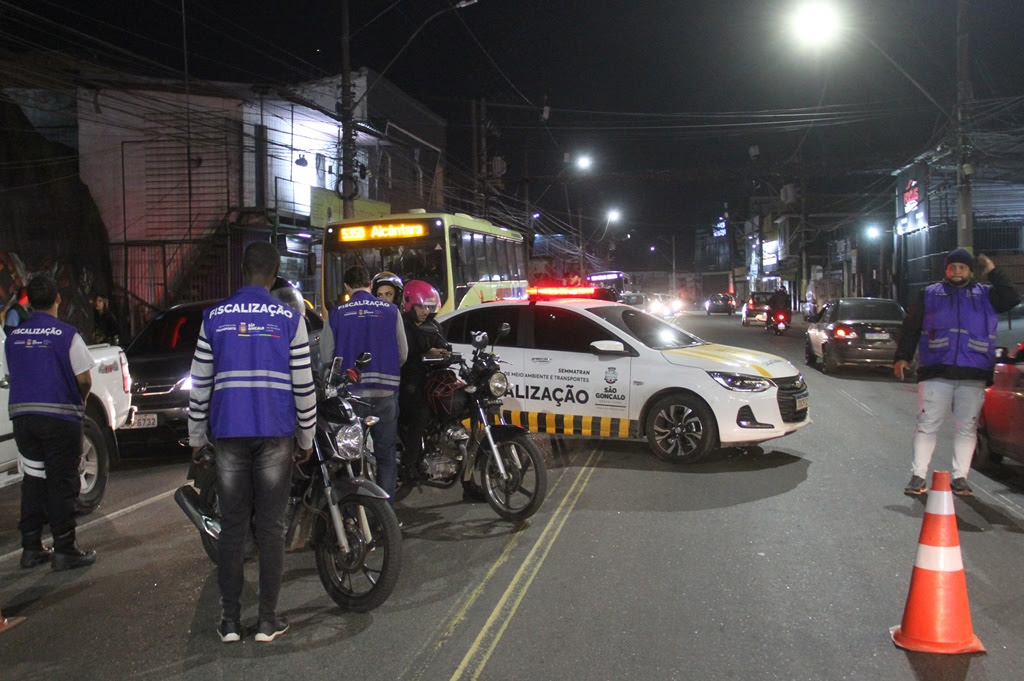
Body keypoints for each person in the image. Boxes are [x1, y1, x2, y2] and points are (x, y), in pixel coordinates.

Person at [187, 242, 316, 643]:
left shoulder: (214, 318)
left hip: (229, 432)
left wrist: (195, 436)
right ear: (275, 274)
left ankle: (229, 621)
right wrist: (307, 436)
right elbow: (303, 384)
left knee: (232, 527)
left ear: (241, 270)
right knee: (271, 527)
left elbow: (199, 384)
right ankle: (267, 621)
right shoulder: (290, 319)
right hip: (275, 432)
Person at [894, 249, 1020, 497]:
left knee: (967, 428)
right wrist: (902, 357)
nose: (957, 272)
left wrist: (993, 272)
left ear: (971, 271)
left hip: (973, 372)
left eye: (962, 267)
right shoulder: (929, 294)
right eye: (952, 267)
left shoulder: (987, 295)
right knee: (927, 425)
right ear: (946, 270)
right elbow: (911, 327)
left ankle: (960, 478)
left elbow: (1012, 297)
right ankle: (918, 476)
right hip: (936, 370)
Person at [4, 273, 96, 571]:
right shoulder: (67, 335)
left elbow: (12, 374)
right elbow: (84, 379)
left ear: (29, 302)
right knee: (62, 482)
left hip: (23, 419)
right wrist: (80, 401)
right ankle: (65, 549)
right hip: (59, 418)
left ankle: (31, 548)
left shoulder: (13, 337)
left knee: (33, 481)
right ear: (58, 298)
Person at [320, 265, 407, 498]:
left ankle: (357, 510)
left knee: (351, 456)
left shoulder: (336, 314)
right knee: (386, 455)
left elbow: (327, 357)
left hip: (351, 395)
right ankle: (385, 509)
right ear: (370, 284)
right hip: (385, 394)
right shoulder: (391, 311)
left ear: (346, 287)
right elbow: (403, 353)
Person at [396, 281, 486, 502]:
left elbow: (443, 345)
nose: (426, 312)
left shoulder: (433, 325)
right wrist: (426, 352)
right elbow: (406, 353)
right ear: (409, 304)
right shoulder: (402, 325)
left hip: (434, 382)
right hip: (410, 384)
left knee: (464, 407)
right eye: (421, 307)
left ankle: (467, 479)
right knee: (421, 414)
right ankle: (409, 467)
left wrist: (446, 353)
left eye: (429, 307)